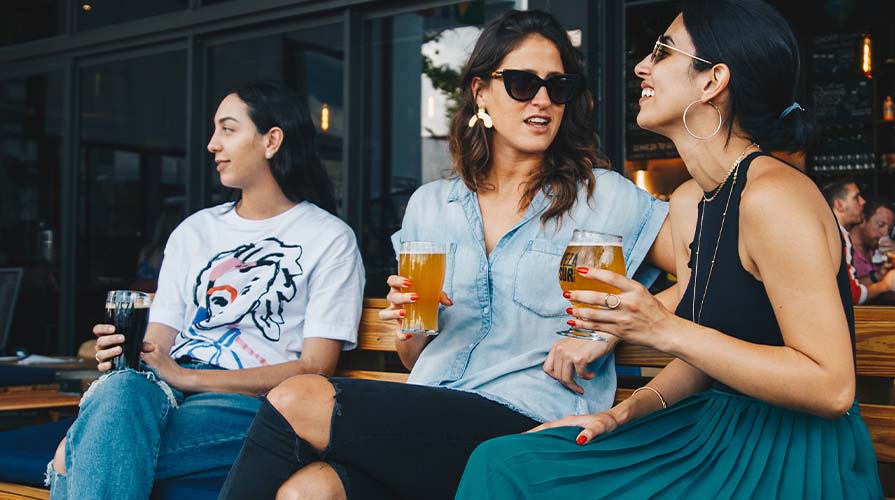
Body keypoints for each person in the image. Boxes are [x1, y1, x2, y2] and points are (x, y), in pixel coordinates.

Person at [218, 10, 674, 500]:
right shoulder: (430, 205)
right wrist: (415, 325)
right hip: (432, 410)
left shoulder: (603, 196)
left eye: (557, 86)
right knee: (308, 492)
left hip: (530, 422)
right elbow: (414, 354)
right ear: (480, 92)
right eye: (522, 83)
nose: (542, 100)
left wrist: (608, 330)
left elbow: (709, 272)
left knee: (296, 397)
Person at [455, 1, 883, 498]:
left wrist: (662, 327)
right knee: (505, 462)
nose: (642, 66)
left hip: (792, 453)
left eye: (662, 51)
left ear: (712, 81)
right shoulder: (689, 202)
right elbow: (712, 354)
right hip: (713, 431)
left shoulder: (775, 197)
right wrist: (617, 414)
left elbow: (831, 388)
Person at [46, 80, 365, 500]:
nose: (213, 144)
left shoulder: (329, 238)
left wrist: (188, 377)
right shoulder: (194, 231)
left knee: (77, 454)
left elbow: (315, 367)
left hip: (251, 406)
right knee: (121, 389)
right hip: (164, 394)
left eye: (228, 129)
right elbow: (158, 343)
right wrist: (129, 352)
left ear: (271, 140)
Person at [824, 179, 895, 302]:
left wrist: (879, 275)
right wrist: (884, 285)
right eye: (856, 197)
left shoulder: (832, 231)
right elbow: (852, 295)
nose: (863, 201)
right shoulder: (838, 236)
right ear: (839, 205)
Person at [850, 197, 895, 294]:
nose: (885, 234)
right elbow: (847, 290)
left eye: (889, 229)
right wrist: (877, 276)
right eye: (881, 225)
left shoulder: (876, 250)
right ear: (863, 220)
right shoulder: (844, 249)